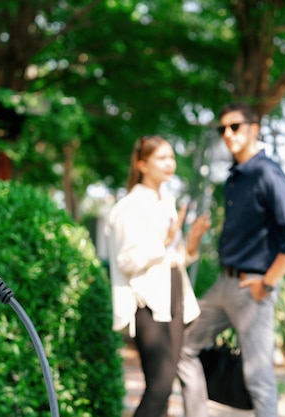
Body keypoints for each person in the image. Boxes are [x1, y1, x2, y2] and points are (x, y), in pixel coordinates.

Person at [177, 103, 285, 417]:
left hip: (252, 287)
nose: (227, 134)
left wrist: (267, 282)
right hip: (224, 283)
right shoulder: (235, 177)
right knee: (183, 347)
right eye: (222, 128)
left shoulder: (267, 173)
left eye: (235, 126)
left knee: (257, 375)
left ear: (254, 129)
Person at [107, 135, 211, 417]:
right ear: (142, 164)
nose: (170, 163)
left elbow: (176, 258)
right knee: (160, 387)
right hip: (148, 300)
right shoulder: (130, 206)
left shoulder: (166, 201)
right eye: (161, 158)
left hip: (173, 293)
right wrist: (164, 242)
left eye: (172, 157)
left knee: (164, 391)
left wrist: (191, 242)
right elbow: (126, 260)